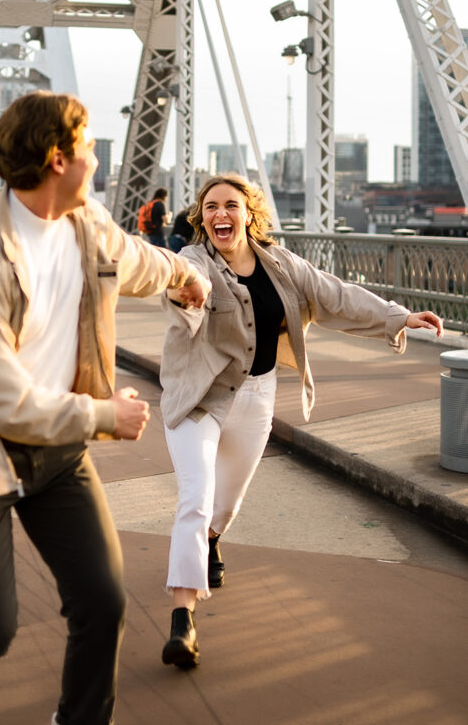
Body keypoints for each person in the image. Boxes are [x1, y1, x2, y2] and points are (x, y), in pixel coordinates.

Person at [0, 91, 207, 725]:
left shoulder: (84, 223)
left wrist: (181, 271)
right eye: (90, 145)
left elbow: (132, 260)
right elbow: (3, 403)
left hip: (57, 455)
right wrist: (102, 416)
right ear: (57, 158)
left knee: (101, 603)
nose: (98, 156)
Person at [158, 173, 443, 669]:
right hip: (197, 397)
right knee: (196, 498)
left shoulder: (280, 264)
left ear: (250, 213)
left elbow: (335, 295)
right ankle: (183, 618)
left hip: (256, 394)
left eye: (230, 205)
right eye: (210, 208)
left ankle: (211, 542)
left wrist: (399, 317)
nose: (220, 214)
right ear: (200, 218)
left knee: (225, 504)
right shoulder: (194, 260)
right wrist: (185, 296)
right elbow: (181, 284)